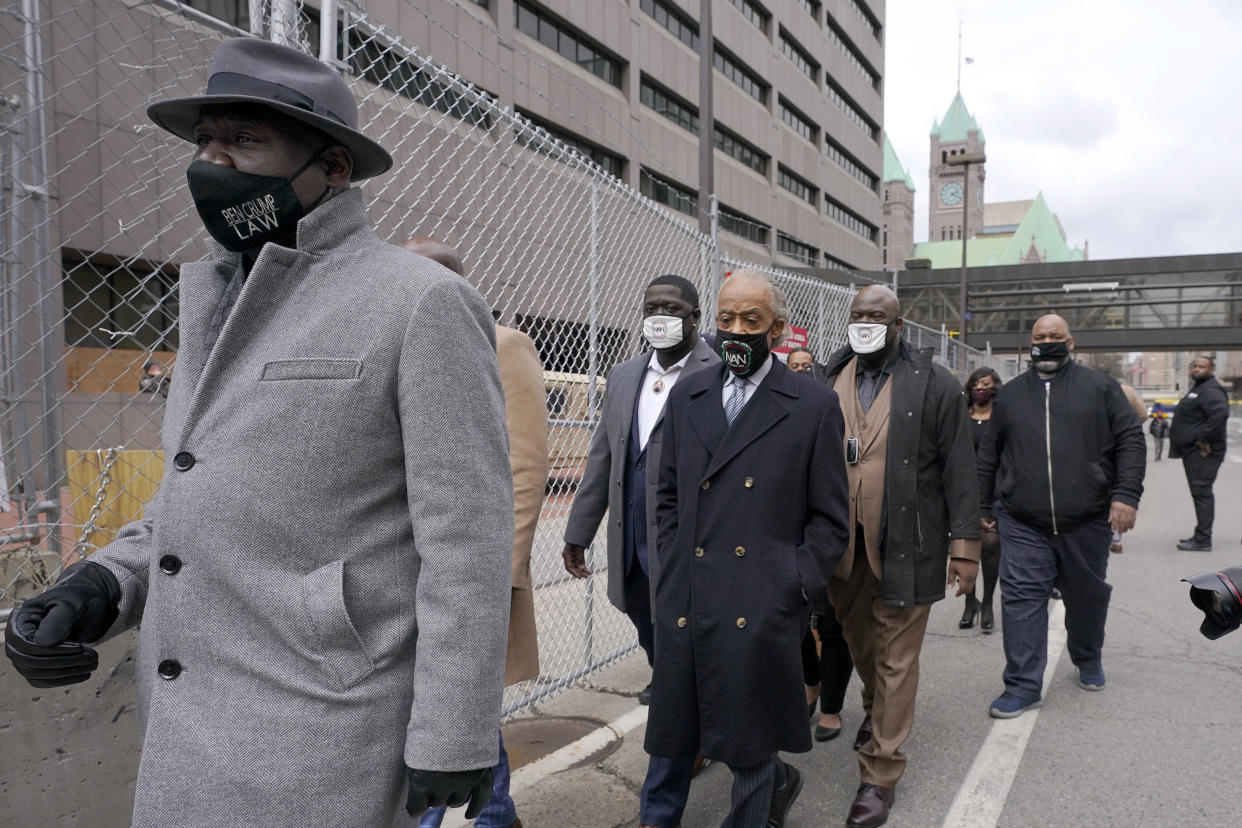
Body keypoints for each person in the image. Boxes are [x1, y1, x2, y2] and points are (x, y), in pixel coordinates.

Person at [3, 39, 514, 827]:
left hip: (323, 725)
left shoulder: (419, 302)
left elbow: (466, 539)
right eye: (207, 141)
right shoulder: (211, 293)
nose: (216, 162)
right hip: (186, 719)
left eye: (245, 140)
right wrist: (101, 584)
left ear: (332, 166)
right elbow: (195, 490)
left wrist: (453, 732)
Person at [647, 268, 850, 828]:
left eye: (751, 321)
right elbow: (667, 492)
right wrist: (672, 565)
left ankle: (757, 807)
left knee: (752, 735)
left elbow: (832, 520)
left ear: (778, 328)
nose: (736, 330)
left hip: (762, 598)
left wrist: (791, 582)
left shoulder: (812, 404)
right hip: (691, 591)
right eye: (726, 319)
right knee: (692, 721)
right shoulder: (690, 393)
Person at [821, 285, 980, 828]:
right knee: (862, 646)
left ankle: (880, 774)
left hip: (908, 543)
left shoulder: (933, 383)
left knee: (896, 658)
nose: (866, 323)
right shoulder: (829, 378)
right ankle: (876, 710)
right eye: (858, 315)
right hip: (841, 548)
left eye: (877, 316)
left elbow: (961, 468)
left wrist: (966, 550)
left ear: (898, 326)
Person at [561, 274, 717, 828]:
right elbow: (603, 458)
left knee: (676, 678)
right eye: (652, 306)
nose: (660, 314)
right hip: (634, 556)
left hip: (691, 558)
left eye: (671, 307)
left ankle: (660, 808)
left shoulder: (717, 375)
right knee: (669, 661)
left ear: (695, 317)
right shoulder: (625, 376)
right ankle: (723, 741)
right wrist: (578, 529)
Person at [404, 238, 547, 828]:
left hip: (470, 571)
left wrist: (496, 576)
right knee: (444, 711)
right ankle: (500, 813)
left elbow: (525, 465)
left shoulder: (503, 345)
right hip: (402, 570)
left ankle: (487, 817)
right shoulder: (397, 338)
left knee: (453, 703)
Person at [979, 314, 1145, 719]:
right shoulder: (1013, 395)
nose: (1047, 341)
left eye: (1055, 336)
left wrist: (1125, 495)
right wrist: (983, 507)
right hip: (1023, 521)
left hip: (1087, 520)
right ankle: (1022, 685)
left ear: (1071, 343)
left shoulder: (1100, 388)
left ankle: (1087, 657)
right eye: (1040, 336)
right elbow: (989, 456)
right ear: (1029, 342)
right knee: (1020, 599)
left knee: (1085, 598)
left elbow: (1130, 440)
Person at [1169, 356, 1229, 551]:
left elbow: (1220, 414)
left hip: (1203, 452)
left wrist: (1202, 439)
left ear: (1211, 369)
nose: (1196, 369)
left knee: (1202, 493)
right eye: (1194, 366)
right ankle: (1200, 535)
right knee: (1200, 493)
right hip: (1193, 451)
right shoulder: (1200, 388)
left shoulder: (1210, 389)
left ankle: (1203, 539)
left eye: (1201, 366)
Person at [960, 367, 1003, 633]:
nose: (979, 389)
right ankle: (969, 603)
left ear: (995, 388)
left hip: (993, 491)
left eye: (985, 384)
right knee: (965, 547)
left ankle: (987, 603)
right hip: (963, 491)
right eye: (975, 384)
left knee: (990, 545)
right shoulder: (961, 416)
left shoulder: (1001, 418)